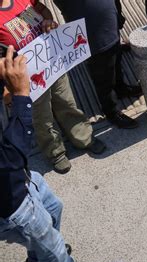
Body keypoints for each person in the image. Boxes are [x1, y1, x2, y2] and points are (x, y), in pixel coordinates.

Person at [0, 0, 106, 174]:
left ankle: (83, 136)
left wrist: (48, 21)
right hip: (27, 81)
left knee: (67, 102)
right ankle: (55, 152)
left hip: (53, 63)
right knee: (41, 118)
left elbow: (42, 9)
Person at [0, 45, 74, 262]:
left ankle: (39, 259)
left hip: (23, 180)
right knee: (57, 255)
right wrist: (21, 96)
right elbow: (11, 157)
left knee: (53, 208)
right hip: (11, 203)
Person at [53, 0, 142, 129]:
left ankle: (121, 88)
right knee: (102, 70)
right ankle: (111, 111)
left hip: (108, 16)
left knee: (114, 53)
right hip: (90, 26)